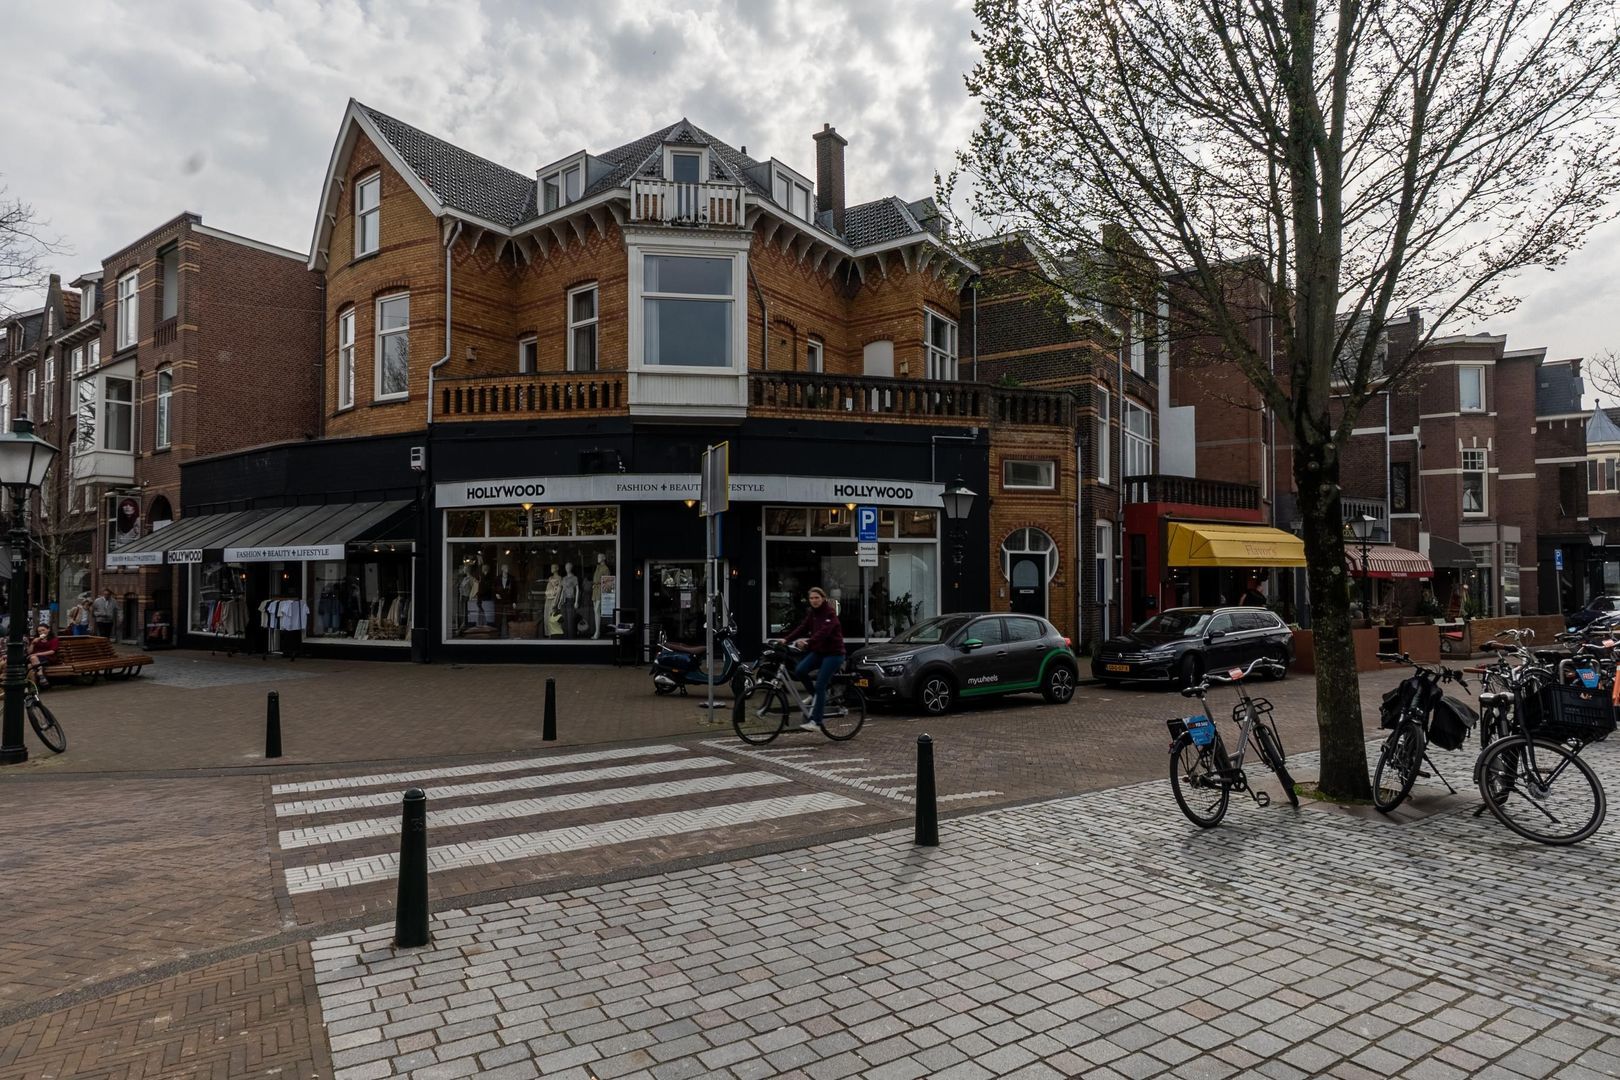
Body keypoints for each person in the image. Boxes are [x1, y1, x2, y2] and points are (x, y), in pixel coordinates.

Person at [779, 586, 846, 732]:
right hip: (820, 652)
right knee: (800, 670)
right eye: (811, 598)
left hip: (834, 654)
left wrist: (808, 643)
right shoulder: (812, 613)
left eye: (817, 598)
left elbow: (823, 633)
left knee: (821, 684)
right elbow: (802, 628)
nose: (814, 601)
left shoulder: (830, 614)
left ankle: (816, 721)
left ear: (823, 598)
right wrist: (786, 639)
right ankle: (815, 695)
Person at [28, 623, 60, 688]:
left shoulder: (53, 639)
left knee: (31, 662)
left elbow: (52, 651)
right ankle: (37, 684)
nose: (41, 632)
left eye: (43, 630)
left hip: (48, 658)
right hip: (36, 660)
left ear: (48, 630)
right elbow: (29, 652)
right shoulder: (36, 640)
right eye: (39, 631)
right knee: (30, 666)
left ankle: (39, 676)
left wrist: (37, 654)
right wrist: (33, 643)